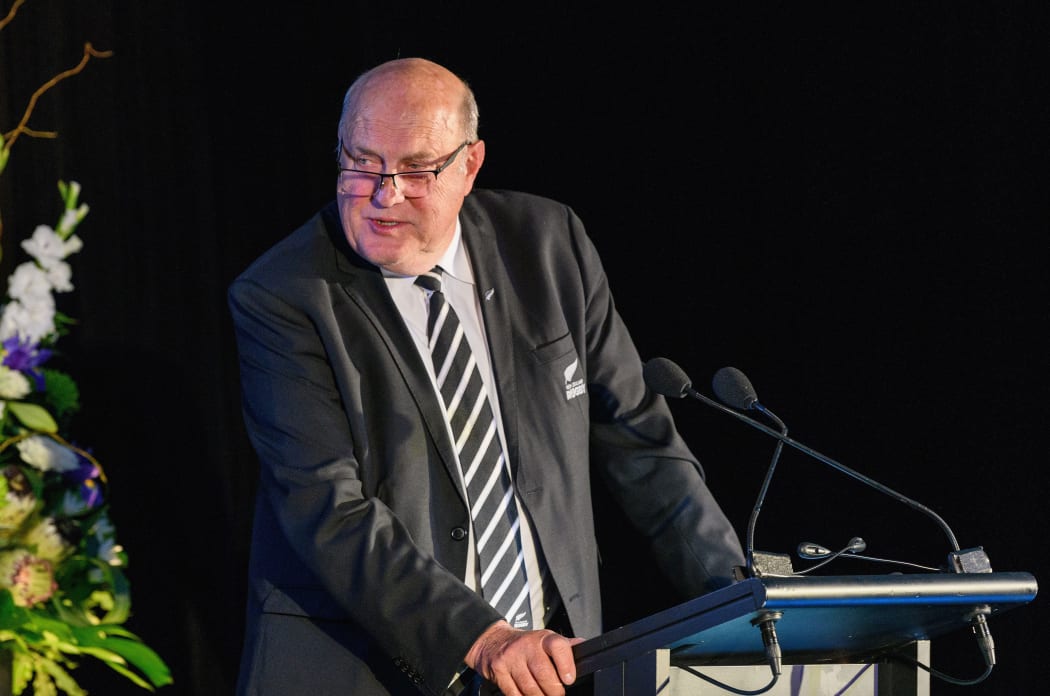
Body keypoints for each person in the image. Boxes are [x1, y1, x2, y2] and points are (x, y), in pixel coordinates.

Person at [228, 57, 745, 696]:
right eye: (360, 163)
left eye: (416, 170)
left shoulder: (548, 244)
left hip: (550, 665)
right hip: (362, 667)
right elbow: (327, 506)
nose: (383, 193)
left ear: (469, 165)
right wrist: (484, 636)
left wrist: (744, 601)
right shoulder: (283, 294)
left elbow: (642, 444)